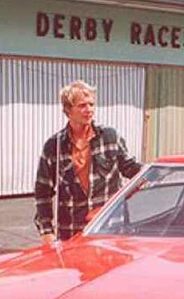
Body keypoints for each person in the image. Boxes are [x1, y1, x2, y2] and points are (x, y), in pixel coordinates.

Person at [34, 80, 142, 244]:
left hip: (110, 228)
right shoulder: (54, 146)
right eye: (82, 105)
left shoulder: (110, 137)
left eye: (91, 104)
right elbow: (43, 192)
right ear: (67, 110)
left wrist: (154, 172)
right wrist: (47, 232)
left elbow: (132, 171)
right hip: (72, 232)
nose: (89, 110)